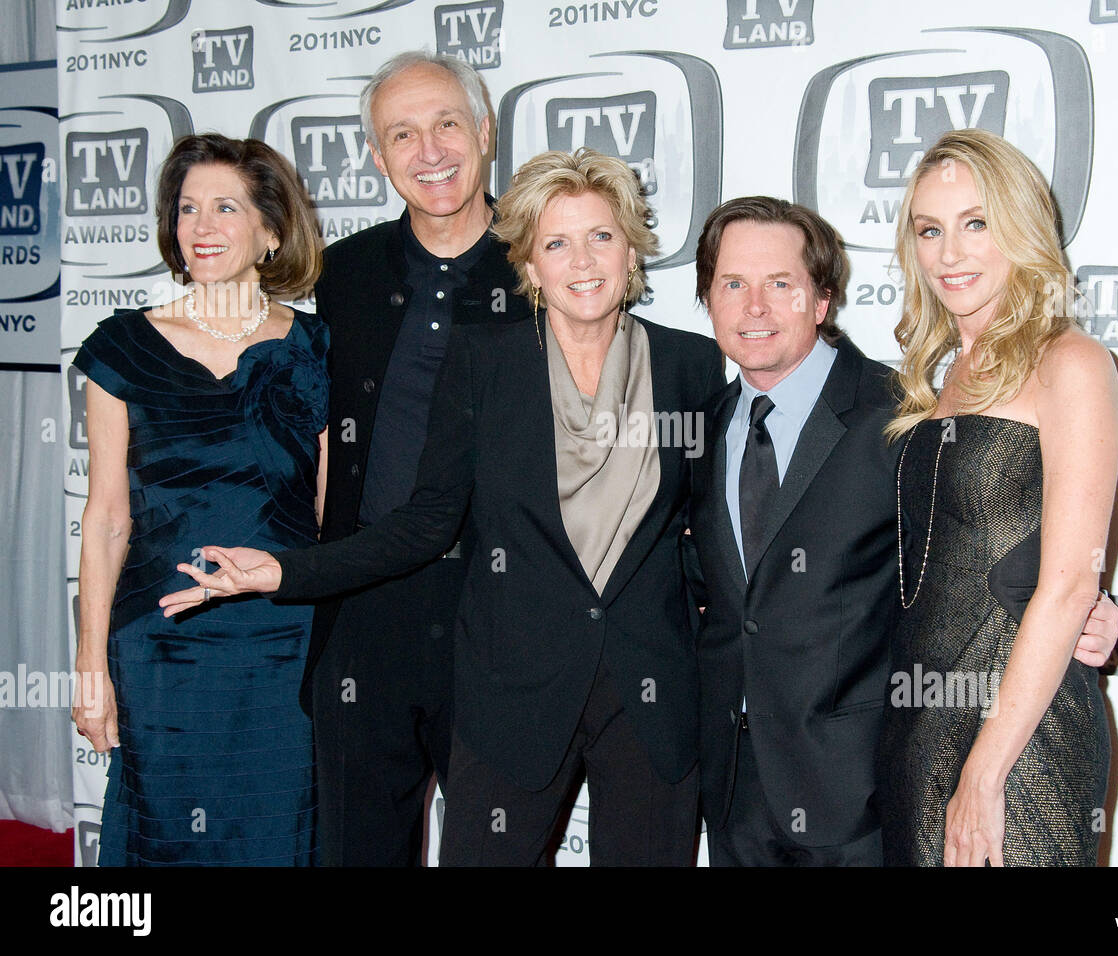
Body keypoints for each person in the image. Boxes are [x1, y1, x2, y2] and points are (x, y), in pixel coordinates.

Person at [160, 147, 726, 866]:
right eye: (557, 242)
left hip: (648, 700)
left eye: (600, 237)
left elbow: (710, 527)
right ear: (529, 264)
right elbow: (427, 521)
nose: (582, 261)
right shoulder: (483, 362)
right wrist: (284, 572)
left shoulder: (691, 365)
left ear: (630, 250)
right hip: (512, 692)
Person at [687, 195, 1118, 866]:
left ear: (822, 299)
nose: (755, 307)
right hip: (733, 790)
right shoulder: (702, 427)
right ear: (707, 298)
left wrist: (1091, 608)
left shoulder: (905, 416)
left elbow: (971, 550)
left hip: (859, 795)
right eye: (732, 284)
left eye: (781, 284)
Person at [72, 133, 326, 865]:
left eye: (225, 207)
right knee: (166, 838)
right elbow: (106, 520)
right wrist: (91, 666)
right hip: (162, 649)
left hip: (286, 649)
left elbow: (330, 516)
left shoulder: (316, 350)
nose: (202, 226)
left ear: (271, 230)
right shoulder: (122, 348)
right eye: (187, 209)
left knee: (282, 834)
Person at [305, 50, 530, 867]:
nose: (429, 151)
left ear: (485, 130)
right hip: (365, 605)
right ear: (376, 155)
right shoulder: (344, 273)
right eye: (402, 133)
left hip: (499, 611)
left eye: (445, 124)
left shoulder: (547, 265)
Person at [876, 128, 1118, 866]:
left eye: (975, 224)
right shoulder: (937, 379)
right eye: (930, 230)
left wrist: (984, 774)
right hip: (917, 725)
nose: (950, 253)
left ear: (1020, 227)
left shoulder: (1070, 362)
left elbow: (1071, 579)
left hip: (1021, 735)